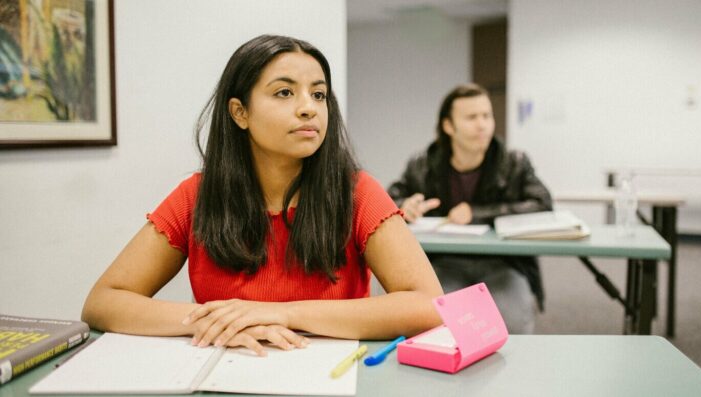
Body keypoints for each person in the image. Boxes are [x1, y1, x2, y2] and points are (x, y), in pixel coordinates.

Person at [81, 35, 443, 355]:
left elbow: (429, 305)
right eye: (285, 92)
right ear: (240, 113)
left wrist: (281, 313)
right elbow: (104, 302)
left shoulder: (358, 192)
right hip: (225, 371)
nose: (309, 107)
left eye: (318, 94)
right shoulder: (196, 195)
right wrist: (219, 321)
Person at [388, 83, 552, 334]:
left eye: (487, 116)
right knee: (434, 324)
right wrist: (404, 207)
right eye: (472, 117)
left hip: (505, 263)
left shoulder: (514, 162)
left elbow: (542, 204)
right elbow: (390, 201)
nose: (482, 125)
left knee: (513, 325)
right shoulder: (422, 165)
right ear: (448, 126)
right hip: (444, 263)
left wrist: (476, 214)